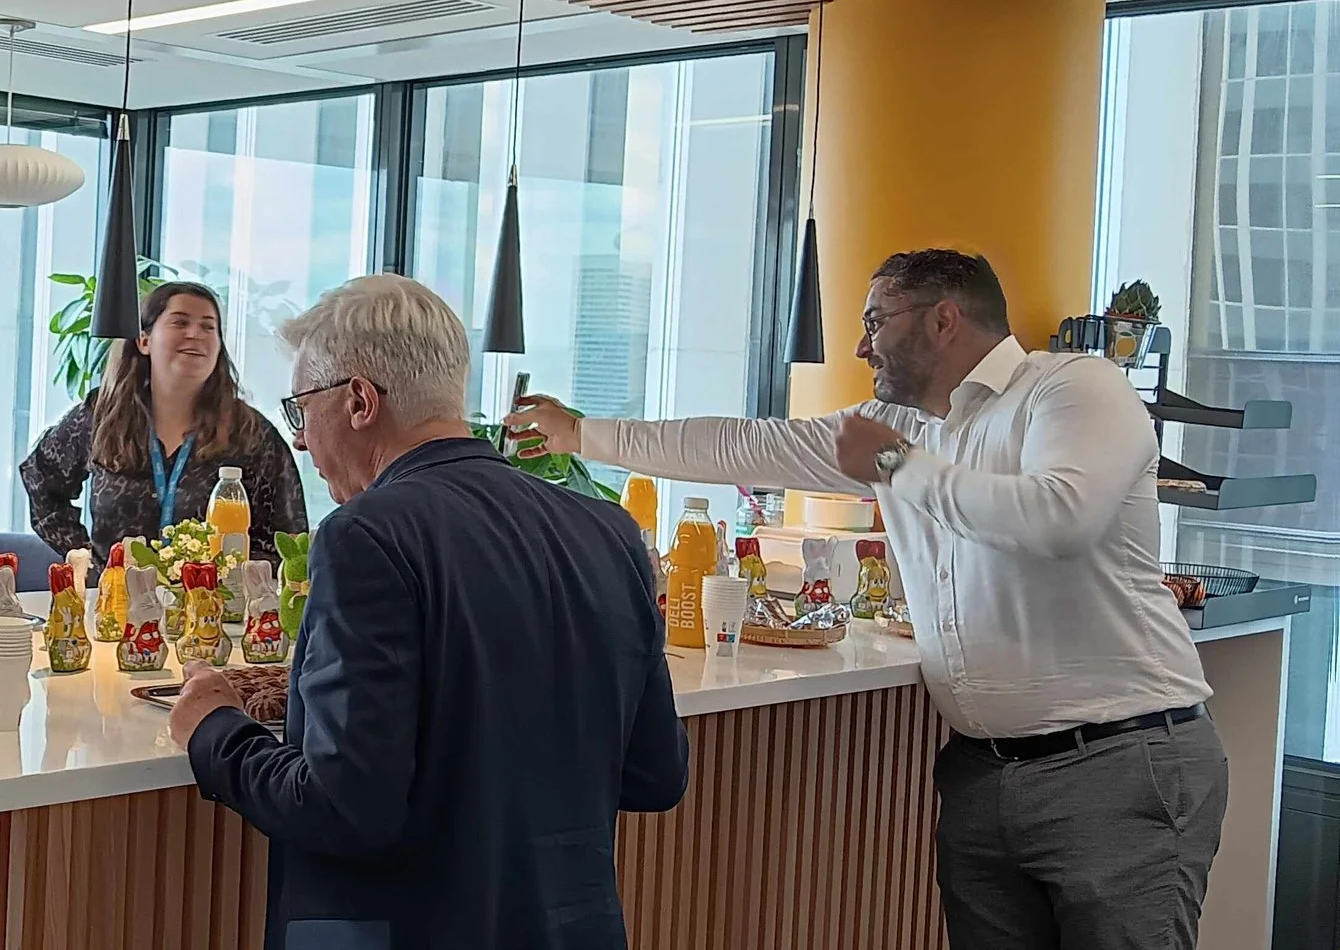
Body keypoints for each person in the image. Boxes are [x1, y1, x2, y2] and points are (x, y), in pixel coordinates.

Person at [513, 248, 1226, 950]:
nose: (862, 346)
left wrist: (891, 464)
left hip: (1117, 764)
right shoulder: (905, 428)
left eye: (876, 321)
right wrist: (582, 434)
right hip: (981, 773)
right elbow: (745, 445)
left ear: (944, 319)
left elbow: (1058, 519)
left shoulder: (1074, 388)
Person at [168, 273, 687, 950]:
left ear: (359, 400)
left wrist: (215, 731)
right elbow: (655, 773)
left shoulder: (366, 536)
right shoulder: (607, 530)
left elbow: (342, 806)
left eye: (302, 411)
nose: (300, 441)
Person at [20, 280, 307, 556]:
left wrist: (235, 576)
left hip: (213, 590)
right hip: (115, 589)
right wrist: (85, 558)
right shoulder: (101, 416)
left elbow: (289, 539)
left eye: (208, 326)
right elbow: (40, 479)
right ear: (144, 341)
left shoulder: (250, 432)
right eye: (180, 322)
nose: (195, 333)